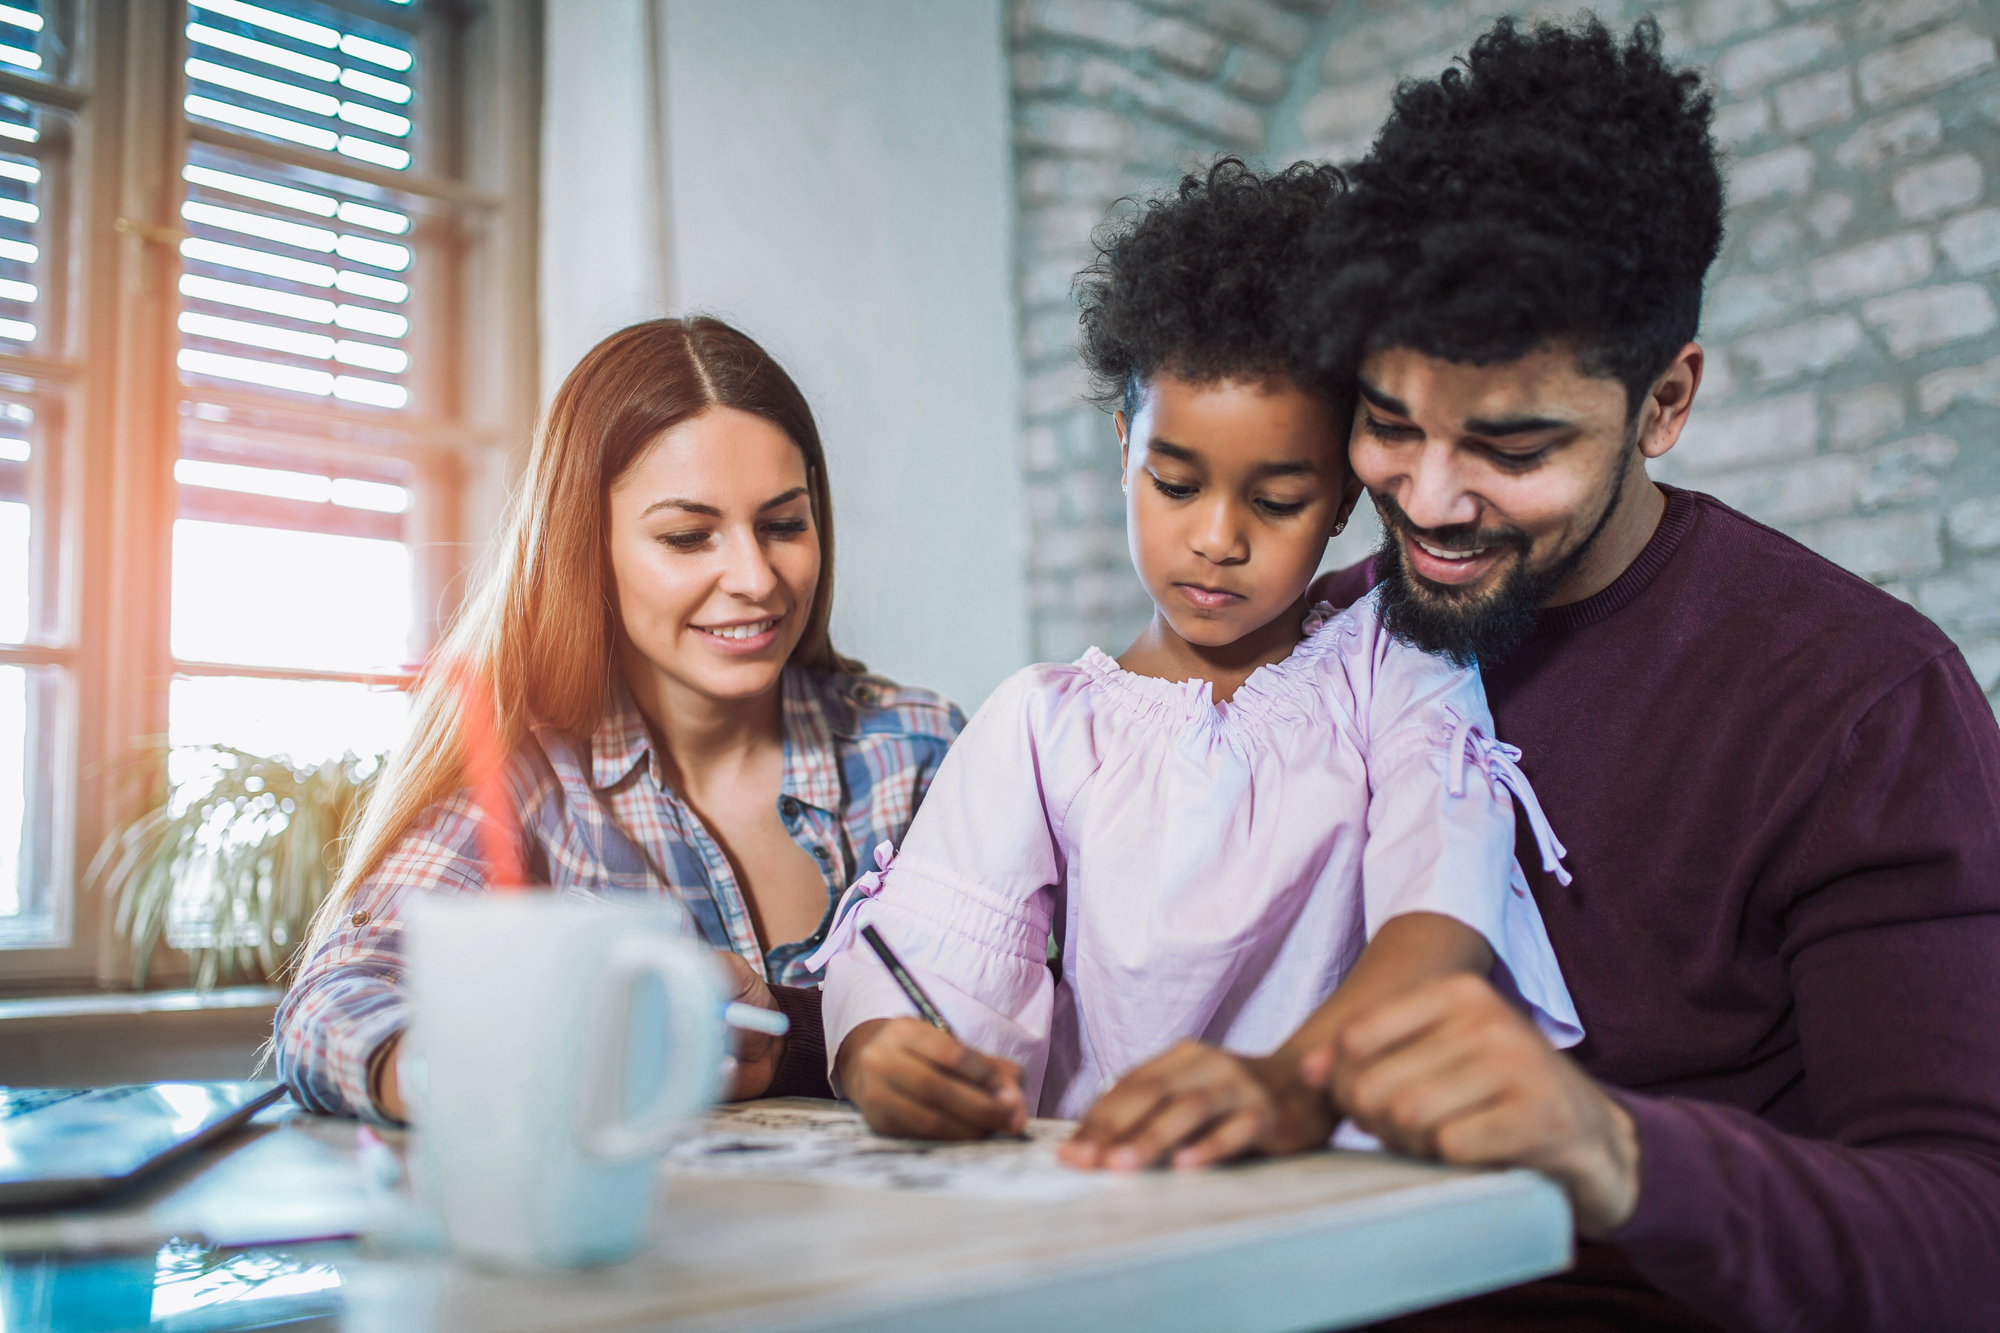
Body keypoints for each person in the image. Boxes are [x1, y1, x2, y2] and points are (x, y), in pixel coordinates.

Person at [1110, 18, 2000, 1332]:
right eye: (1387, 421)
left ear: (1663, 403)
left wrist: (1617, 1151)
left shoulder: (1861, 702)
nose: (1428, 498)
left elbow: (1969, 1236)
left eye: (1512, 447)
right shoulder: (1320, 642)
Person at [809, 162, 1581, 1156]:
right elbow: (923, 958)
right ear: (1123, 445)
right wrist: (885, 1057)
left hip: (1329, 1188)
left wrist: (1289, 1084)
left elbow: (1442, 908)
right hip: (1111, 1194)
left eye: (1274, 500)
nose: (1216, 538)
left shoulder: (1393, 655)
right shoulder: (1042, 727)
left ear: (1345, 497)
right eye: (1174, 484)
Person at [276, 317, 961, 1122]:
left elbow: (1047, 1006)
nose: (755, 577)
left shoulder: (917, 750)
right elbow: (331, 1003)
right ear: (586, 547)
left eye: (783, 525)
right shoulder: (524, 776)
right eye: (686, 535)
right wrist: (464, 1066)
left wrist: (801, 1040)